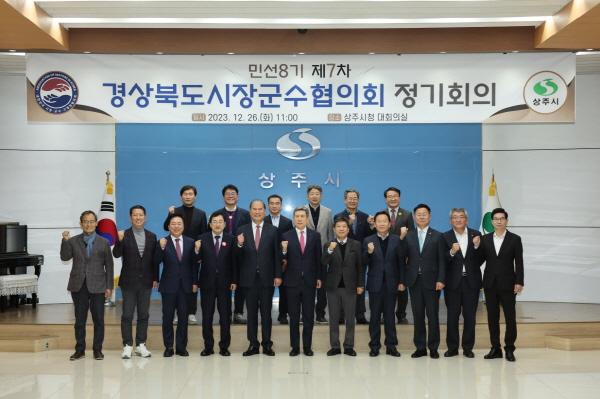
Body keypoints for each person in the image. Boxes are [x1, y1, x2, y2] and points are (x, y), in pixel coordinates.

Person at [60, 210, 114, 361]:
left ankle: (98, 350)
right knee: (80, 320)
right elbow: (65, 257)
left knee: (99, 320)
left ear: (96, 223)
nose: (89, 224)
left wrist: (109, 286)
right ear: (81, 224)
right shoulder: (73, 241)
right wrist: (64, 240)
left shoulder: (104, 242)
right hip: (79, 286)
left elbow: (109, 266)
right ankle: (80, 350)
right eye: (86, 221)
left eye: (91, 221)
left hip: (98, 285)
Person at [476, 208, 524, 362]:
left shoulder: (515, 239)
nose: (498, 221)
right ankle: (495, 348)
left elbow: (519, 262)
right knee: (492, 318)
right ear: (492, 222)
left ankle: (509, 348)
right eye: (495, 218)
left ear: (506, 221)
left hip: (509, 284)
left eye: (501, 218)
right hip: (490, 284)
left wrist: (519, 281)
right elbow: (478, 261)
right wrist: (476, 247)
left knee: (510, 318)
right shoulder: (485, 239)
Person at [235, 199, 282, 356]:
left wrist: (278, 275)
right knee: (252, 314)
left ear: (264, 211)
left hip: (267, 278)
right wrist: (239, 245)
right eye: (254, 209)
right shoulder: (241, 230)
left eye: (260, 209)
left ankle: (267, 344)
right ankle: (253, 344)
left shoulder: (273, 230)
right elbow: (236, 258)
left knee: (267, 314)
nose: (257, 212)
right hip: (248, 279)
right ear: (250, 211)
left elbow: (277, 255)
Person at [113, 205, 159, 359]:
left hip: (146, 281)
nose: (138, 217)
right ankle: (127, 345)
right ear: (130, 217)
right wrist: (118, 241)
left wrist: (155, 278)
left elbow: (154, 260)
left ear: (145, 218)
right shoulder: (123, 234)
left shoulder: (152, 236)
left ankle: (141, 345)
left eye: (141, 215)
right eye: (135, 215)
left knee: (143, 314)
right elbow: (116, 254)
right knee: (127, 314)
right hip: (128, 282)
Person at [404, 203, 446, 359]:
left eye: (424, 214)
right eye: (418, 214)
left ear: (430, 216)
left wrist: (441, 279)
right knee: (418, 314)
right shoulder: (408, 235)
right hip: (414, 281)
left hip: (432, 281)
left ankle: (433, 347)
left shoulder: (438, 236)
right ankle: (420, 347)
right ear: (414, 217)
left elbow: (442, 260)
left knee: (433, 315)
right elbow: (403, 258)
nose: (421, 216)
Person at [363, 211, 406, 357]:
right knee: (374, 317)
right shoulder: (368, 240)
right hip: (375, 284)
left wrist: (401, 281)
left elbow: (401, 263)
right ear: (374, 224)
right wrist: (368, 253)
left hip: (392, 284)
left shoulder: (396, 240)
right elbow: (363, 263)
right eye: (378, 221)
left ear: (389, 224)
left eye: (384, 221)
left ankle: (391, 346)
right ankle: (374, 346)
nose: (381, 223)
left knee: (389, 317)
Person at [156, 214, 200, 357]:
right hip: (168, 286)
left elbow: (194, 265)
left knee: (183, 318)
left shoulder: (190, 242)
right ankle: (168, 346)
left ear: (183, 226)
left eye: (179, 223)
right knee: (167, 317)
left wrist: (195, 282)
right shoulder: (163, 242)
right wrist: (160, 249)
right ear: (168, 227)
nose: (176, 226)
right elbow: (155, 262)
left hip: (186, 286)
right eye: (173, 224)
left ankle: (181, 347)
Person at [163, 184, 207, 325]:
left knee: (193, 283)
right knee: (176, 283)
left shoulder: (201, 213)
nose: (188, 196)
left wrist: (199, 252)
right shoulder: (175, 211)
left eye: (190, 194)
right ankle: (178, 313)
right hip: (176, 251)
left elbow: (203, 233)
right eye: (185, 194)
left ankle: (191, 312)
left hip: (192, 252)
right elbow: (166, 227)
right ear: (181, 196)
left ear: (195, 196)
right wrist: (170, 214)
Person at [281, 207, 322, 356]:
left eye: (302, 216)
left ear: (307, 219)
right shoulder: (286, 235)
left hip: (309, 282)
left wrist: (318, 277)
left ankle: (307, 347)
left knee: (308, 316)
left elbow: (318, 259)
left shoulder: (315, 236)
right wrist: (283, 251)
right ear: (293, 219)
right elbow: (281, 260)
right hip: (292, 282)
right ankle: (295, 347)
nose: (299, 219)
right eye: (296, 216)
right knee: (293, 316)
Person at [442, 208, 482, 358]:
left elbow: (481, 259)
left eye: (461, 217)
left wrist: (477, 246)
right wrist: (451, 252)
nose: (458, 220)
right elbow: (442, 260)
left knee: (470, 316)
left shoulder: (476, 235)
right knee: (452, 316)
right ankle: (452, 348)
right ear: (450, 220)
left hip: (471, 282)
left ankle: (467, 348)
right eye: (454, 217)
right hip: (453, 282)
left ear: (467, 219)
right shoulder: (445, 236)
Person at [322, 216, 364, 356]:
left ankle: (349, 346)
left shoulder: (356, 244)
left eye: (344, 227)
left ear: (348, 229)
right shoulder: (329, 244)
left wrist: (360, 284)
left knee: (350, 318)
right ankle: (335, 346)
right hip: (333, 287)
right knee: (333, 318)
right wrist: (329, 251)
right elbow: (323, 262)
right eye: (338, 226)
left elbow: (360, 267)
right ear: (334, 229)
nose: (341, 229)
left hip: (350, 286)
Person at [197, 211, 237, 357]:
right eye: (214, 221)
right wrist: (196, 250)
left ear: (225, 224)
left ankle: (224, 346)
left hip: (225, 284)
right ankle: (208, 347)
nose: (217, 224)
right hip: (207, 284)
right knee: (207, 316)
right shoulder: (202, 239)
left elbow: (234, 262)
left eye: (220, 221)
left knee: (225, 316)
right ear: (210, 224)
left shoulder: (231, 239)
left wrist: (234, 280)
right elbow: (196, 261)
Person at [378, 187, 414, 325]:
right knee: (383, 286)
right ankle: (383, 314)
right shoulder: (381, 215)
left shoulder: (407, 214)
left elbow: (411, 236)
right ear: (385, 198)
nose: (392, 198)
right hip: (384, 256)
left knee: (402, 286)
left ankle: (401, 314)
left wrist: (408, 255)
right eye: (389, 196)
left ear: (399, 197)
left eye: (395, 196)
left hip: (401, 256)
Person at [334, 189, 371, 324]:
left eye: (355, 198)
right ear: (345, 200)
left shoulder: (365, 217)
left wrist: (371, 226)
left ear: (358, 200)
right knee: (342, 285)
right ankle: (341, 315)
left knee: (359, 284)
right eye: (349, 198)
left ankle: (360, 314)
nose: (352, 200)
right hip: (344, 256)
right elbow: (340, 234)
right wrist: (348, 223)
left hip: (360, 256)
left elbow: (368, 237)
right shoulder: (338, 216)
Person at [217, 184, 251, 325]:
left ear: (237, 196)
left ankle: (238, 312)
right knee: (223, 284)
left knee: (240, 284)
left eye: (233, 194)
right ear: (223, 197)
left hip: (241, 254)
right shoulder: (217, 214)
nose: (230, 196)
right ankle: (224, 314)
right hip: (222, 255)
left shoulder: (245, 214)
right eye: (228, 194)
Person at [304, 184, 333, 323]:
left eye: (317, 193)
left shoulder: (328, 212)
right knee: (307, 285)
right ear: (307, 196)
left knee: (323, 286)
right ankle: (305, 314)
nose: (314, 196)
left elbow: (330, 234)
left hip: (323, 255)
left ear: (321, 196)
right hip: (306, 255)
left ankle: (320, 314)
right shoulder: (301, 210)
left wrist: (329, 253)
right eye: (312, 193)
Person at [264, 194, 293, 324]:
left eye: (277, 203)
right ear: (268, 205)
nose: (274, 205)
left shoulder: (287, 222)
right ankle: (266, 315)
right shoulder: (263, 220)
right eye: (272, 203)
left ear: (281, 205)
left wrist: (286, 257)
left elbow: (290, 241)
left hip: (283, 261)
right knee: (266, 290)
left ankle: (283, 315)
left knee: (284, 290)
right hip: (266, 261)